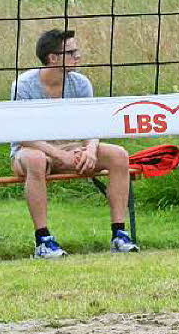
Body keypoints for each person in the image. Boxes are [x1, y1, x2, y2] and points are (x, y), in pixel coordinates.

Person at [10, 28, 137, 258]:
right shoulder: (24, 85)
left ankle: (119, 234)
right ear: (53, 58)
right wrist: (59, 155)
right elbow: (22, 135)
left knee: (119, 155)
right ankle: (43, 241)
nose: (78, 57)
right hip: (32, 149)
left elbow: (93, 125)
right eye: (72, 52)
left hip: (72, 148)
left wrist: (90, 149)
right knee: (37, 160)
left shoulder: (80, 83)